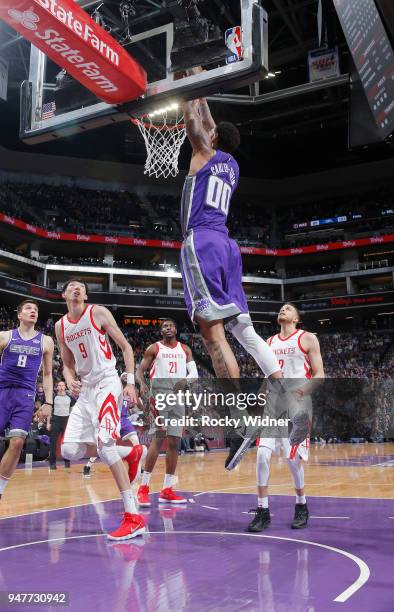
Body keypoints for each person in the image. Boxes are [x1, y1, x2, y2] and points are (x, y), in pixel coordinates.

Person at [180, 93, 283, 469]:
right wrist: (202, 91)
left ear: (213, 138)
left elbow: (196, 126)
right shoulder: (231, 164)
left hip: (203, 242)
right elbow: (209, 124)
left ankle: (238, 423)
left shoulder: (203, 153)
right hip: (228, 247)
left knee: (213, 335)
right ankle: (276, 378)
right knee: (243, 330)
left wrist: (186, 98)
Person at [55, 278, 145, 540]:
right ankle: (129, 452)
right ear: (64, 295)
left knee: (105, 444)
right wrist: (69, 377)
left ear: (84, 294)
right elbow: (67, 363)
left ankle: (133, 516)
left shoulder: (98, 312)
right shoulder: (61, 326)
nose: (76, 288)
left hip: (107, 382)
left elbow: (126, 347)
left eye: (81, 286)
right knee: (69, 450)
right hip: (85, 392)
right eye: (71, 286)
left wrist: (129, 382)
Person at [247, 303, 324, 532]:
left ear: (296, 318)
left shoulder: (308, 338)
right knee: (262, 454)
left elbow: (319, 375)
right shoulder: (269, 342)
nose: (283, 310)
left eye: (288, 308)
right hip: (273, 405)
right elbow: (267, 377)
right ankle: (262, 510)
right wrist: (259, 401)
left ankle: (301, 505)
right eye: (281, 308)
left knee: (292, 460)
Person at [135, 319, 198, 506]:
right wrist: (142, 384)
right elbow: (139, 371)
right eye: (164, 326)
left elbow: (194, 374)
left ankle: (167, 489)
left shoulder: (185, 349)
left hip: (178, 397)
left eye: (171, 325)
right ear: (161, 331)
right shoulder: (154, 349)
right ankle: (144, 487)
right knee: (158, 438)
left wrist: (184, 383)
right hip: (160, 396)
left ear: (176, 329)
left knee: (174, 442)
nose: (168, 328)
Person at [0, 300, 54, 499]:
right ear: (19, 315)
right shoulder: (5, 336)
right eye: (28, 309)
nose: (33, 311)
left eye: (36, 310)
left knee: (16, 443)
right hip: (2, 390)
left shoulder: (46, 341)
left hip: (26, 394)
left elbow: (47, 374)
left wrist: (48, 402)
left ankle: (0, 489)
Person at [83, 372, 146, 478]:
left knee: (137, 443)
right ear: (120, 379)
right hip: (112, 419)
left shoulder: (130, 391)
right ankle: (88, 466)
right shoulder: (114, 389)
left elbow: (138, 405)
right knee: (104, 447)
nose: (126, 378)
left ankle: (139, 468)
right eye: (124, 376)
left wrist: (137, 397)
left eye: (127, 376)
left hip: (124, 420)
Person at [48, 381, 73, 470]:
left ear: (65, 387)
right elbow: (49, 411)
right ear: (57, 387)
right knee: (53, 443)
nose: (61, 387)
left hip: (66, 420)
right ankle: (52, 463)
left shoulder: (70, 398)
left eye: (63, 385)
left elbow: (73, 410)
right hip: (56, 420)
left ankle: (67, 462)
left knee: (66, 442)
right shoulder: (53, 397)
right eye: (59, 385)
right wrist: (48, 423)